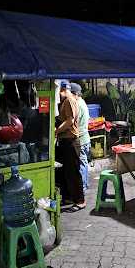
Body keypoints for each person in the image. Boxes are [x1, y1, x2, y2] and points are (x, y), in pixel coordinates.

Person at [55, 81, 86, 211]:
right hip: (65, 140)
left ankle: (80, 201)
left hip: (71, 140)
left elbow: (70, 121)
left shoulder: (68, 100)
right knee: (66, 171)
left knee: (73, 172)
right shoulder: (67, 100)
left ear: (62, 90)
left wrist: (56, 131)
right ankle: (69, 197)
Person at [70, 82, 91, 193]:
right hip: (86, 139)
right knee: (84, 163)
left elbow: (72, 122)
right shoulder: (83, 102)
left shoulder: (77, 105)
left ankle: (82, 187)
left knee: (81, 164)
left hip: (81, 140)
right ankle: (84, 185)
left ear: (75, 94)